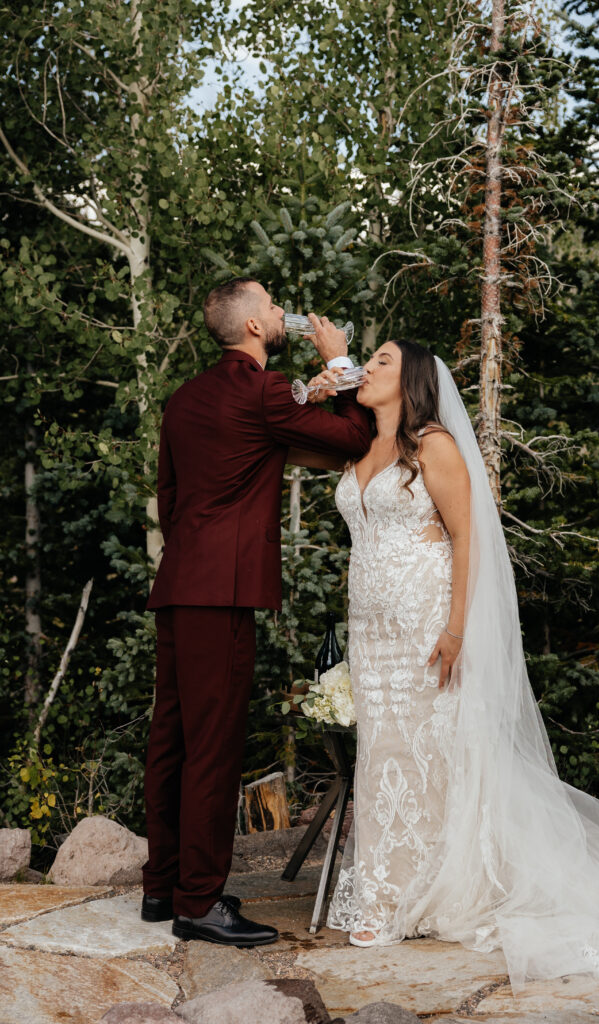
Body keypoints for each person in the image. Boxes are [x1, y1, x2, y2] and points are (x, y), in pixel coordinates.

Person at [308, 339, 599, 1008]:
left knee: (431, 753)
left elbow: (466, 537)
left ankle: (423, 895)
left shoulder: (435, 447)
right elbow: (282, 438)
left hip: (427, 623)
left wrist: (455, 630)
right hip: (369, 630)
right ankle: (384, 895)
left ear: (414, 379)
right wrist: (324, 378)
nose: (370, 366)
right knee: (383, 752)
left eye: (384, 360)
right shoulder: (356, 445)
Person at [141, 277, 371, 947]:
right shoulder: (262, 390)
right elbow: (353, 438)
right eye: (272, 306)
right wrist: (339, 361)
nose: (281, 314)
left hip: (179, 583)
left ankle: (164, 886)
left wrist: (306, 393)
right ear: (250, 328)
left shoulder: (185, 399)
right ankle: (200, 904)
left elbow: (171, 494)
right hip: (223, 592)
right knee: (213, 748)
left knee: (173, 740)